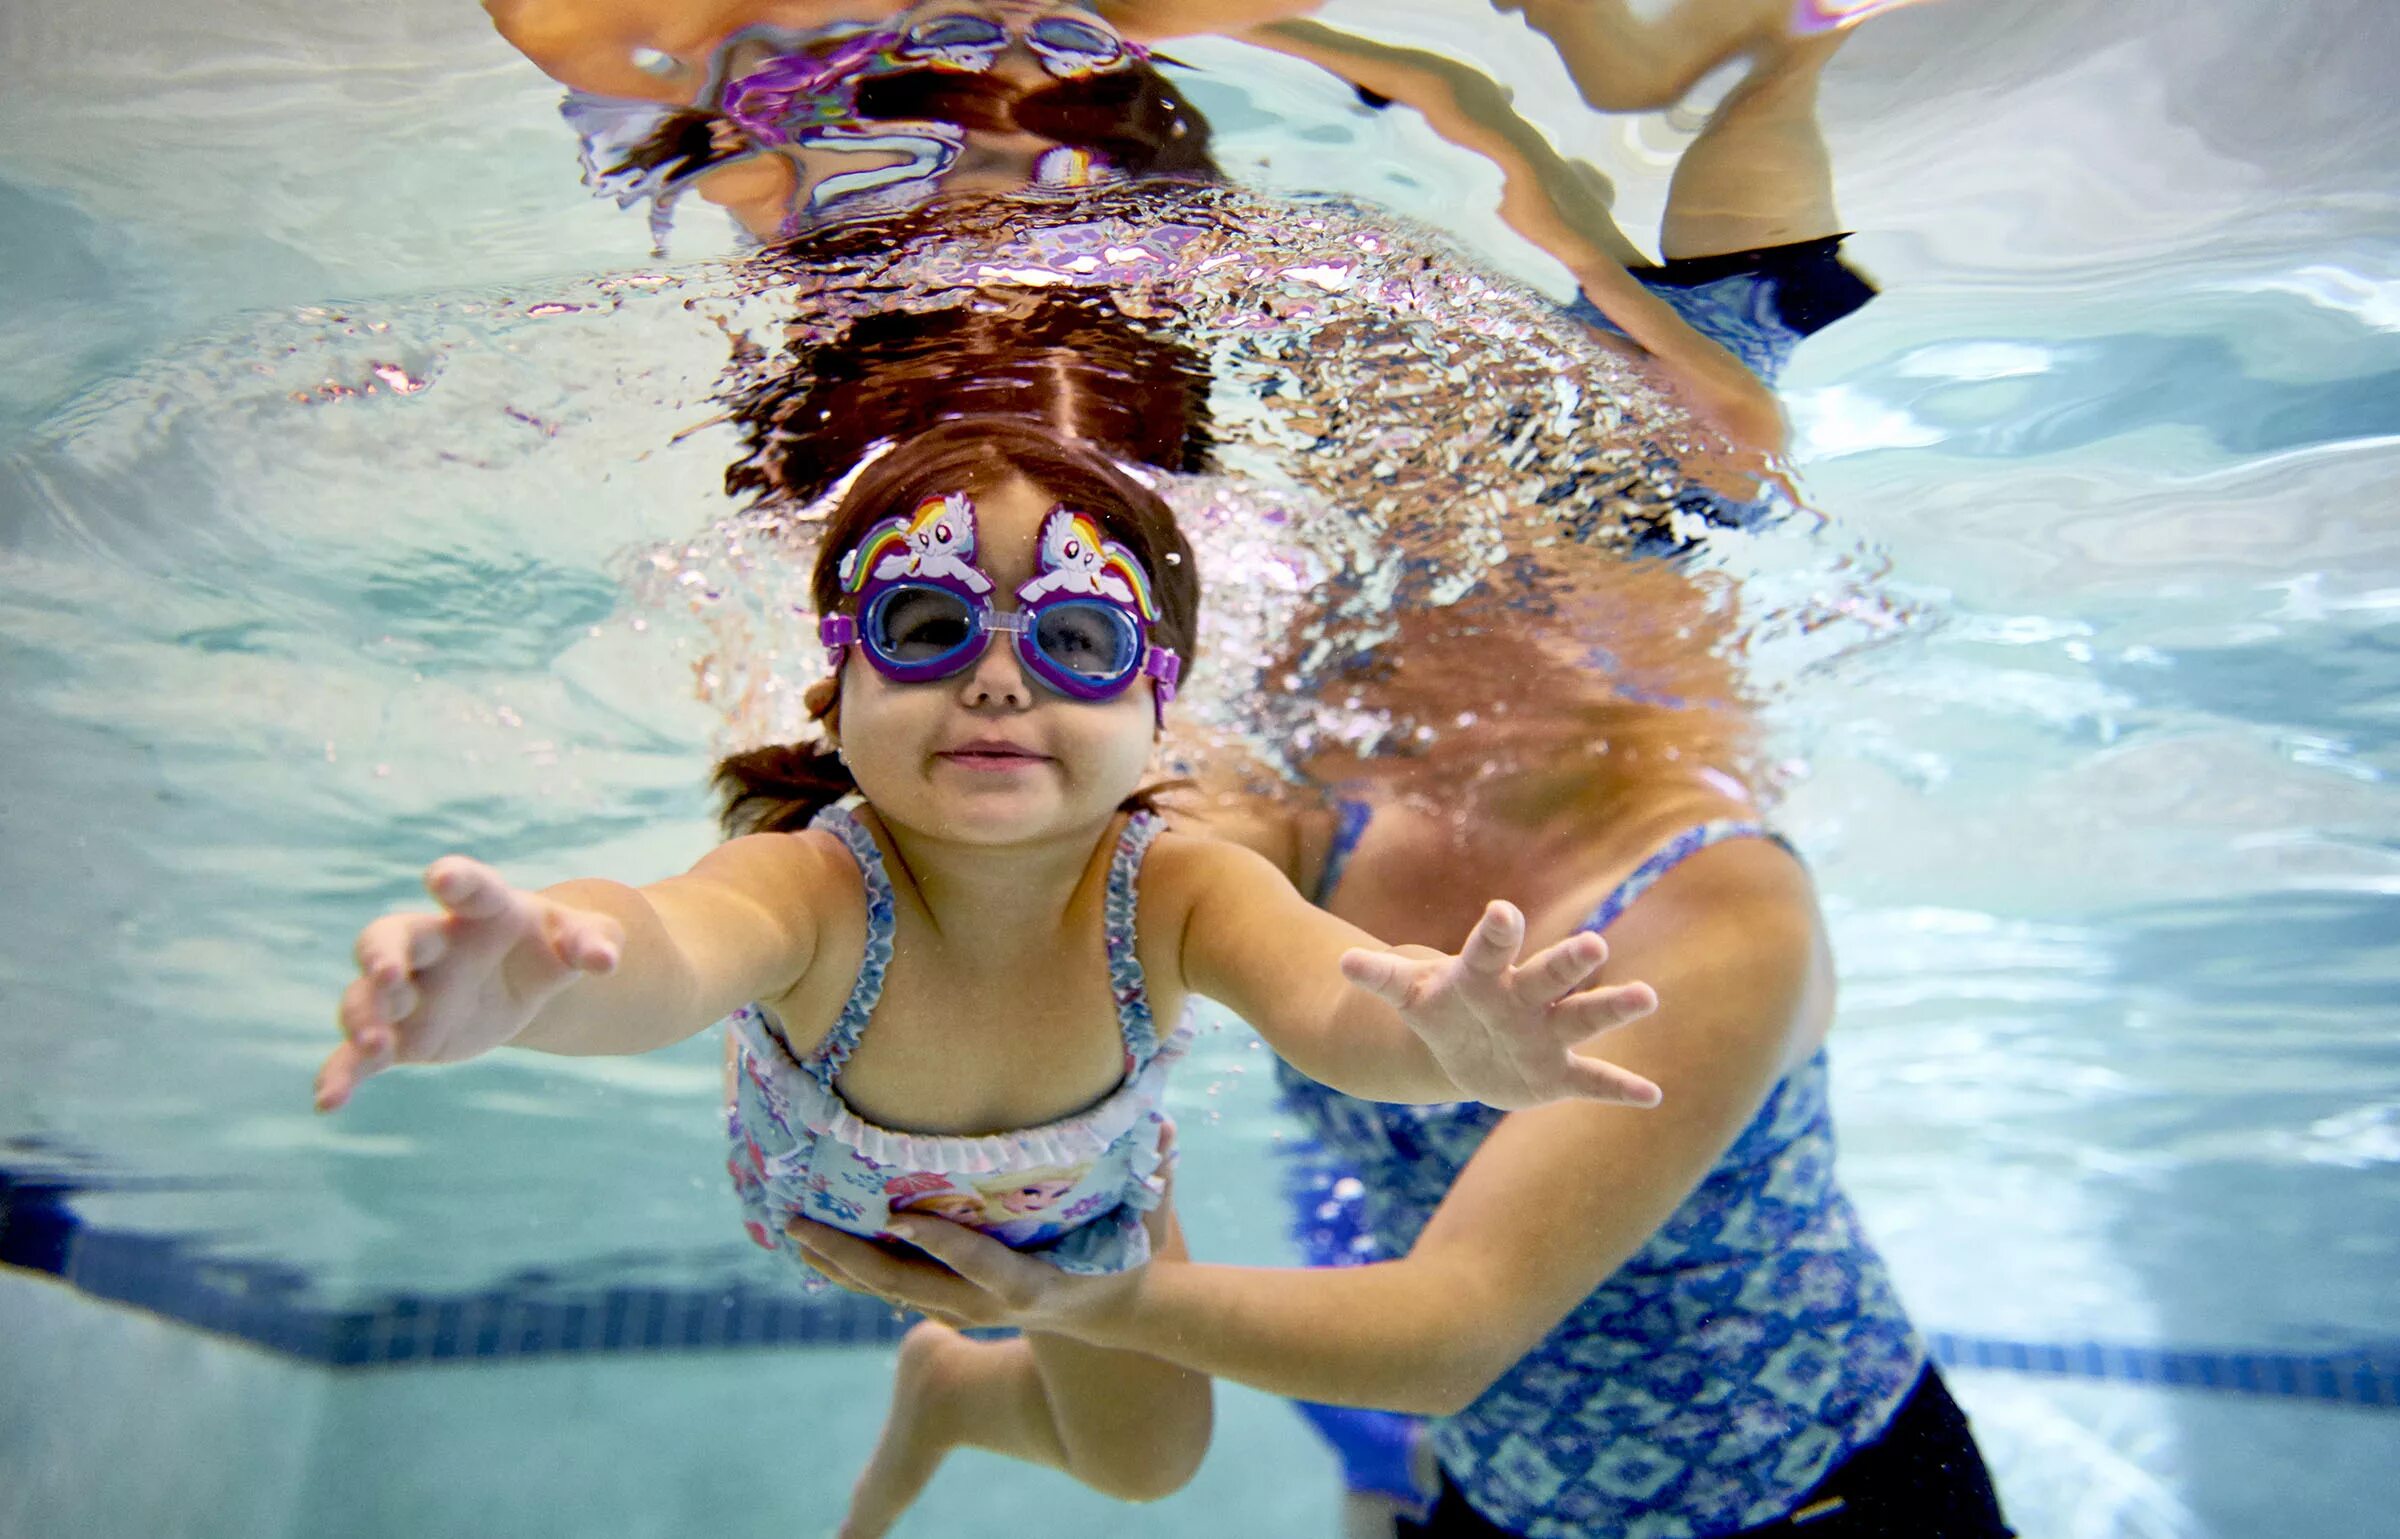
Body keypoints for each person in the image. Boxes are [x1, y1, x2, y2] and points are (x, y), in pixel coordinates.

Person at [780, 6, 2013, 1536]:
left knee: (1709, 391)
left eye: (1493, 597)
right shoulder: (1321, 792)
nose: (1420, 637)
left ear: (1629, 639)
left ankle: (1780, 50)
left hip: (1818, 1505)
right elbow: (1063, 881)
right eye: (1403, 596)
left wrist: (1061, 1286)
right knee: (1711, 351)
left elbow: (1447, 1332)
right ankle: (1768, 57)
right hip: (1495, 1497)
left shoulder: (1721, 911)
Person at [312, 415, 1674, 1526]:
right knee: (1151, 1452)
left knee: (1148, 1465)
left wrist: (1441, 1042)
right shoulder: (820, 884)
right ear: (839, 679)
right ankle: (959, 1374)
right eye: (927, 625)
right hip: (855, 1217)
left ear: (1159, 697)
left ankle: (956, 1391)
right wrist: (540, 978)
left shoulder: (1178, 886)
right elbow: (664, 944)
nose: (1002, 681)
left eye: (1078, 639)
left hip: (1085, 1223)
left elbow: (1335, 994)